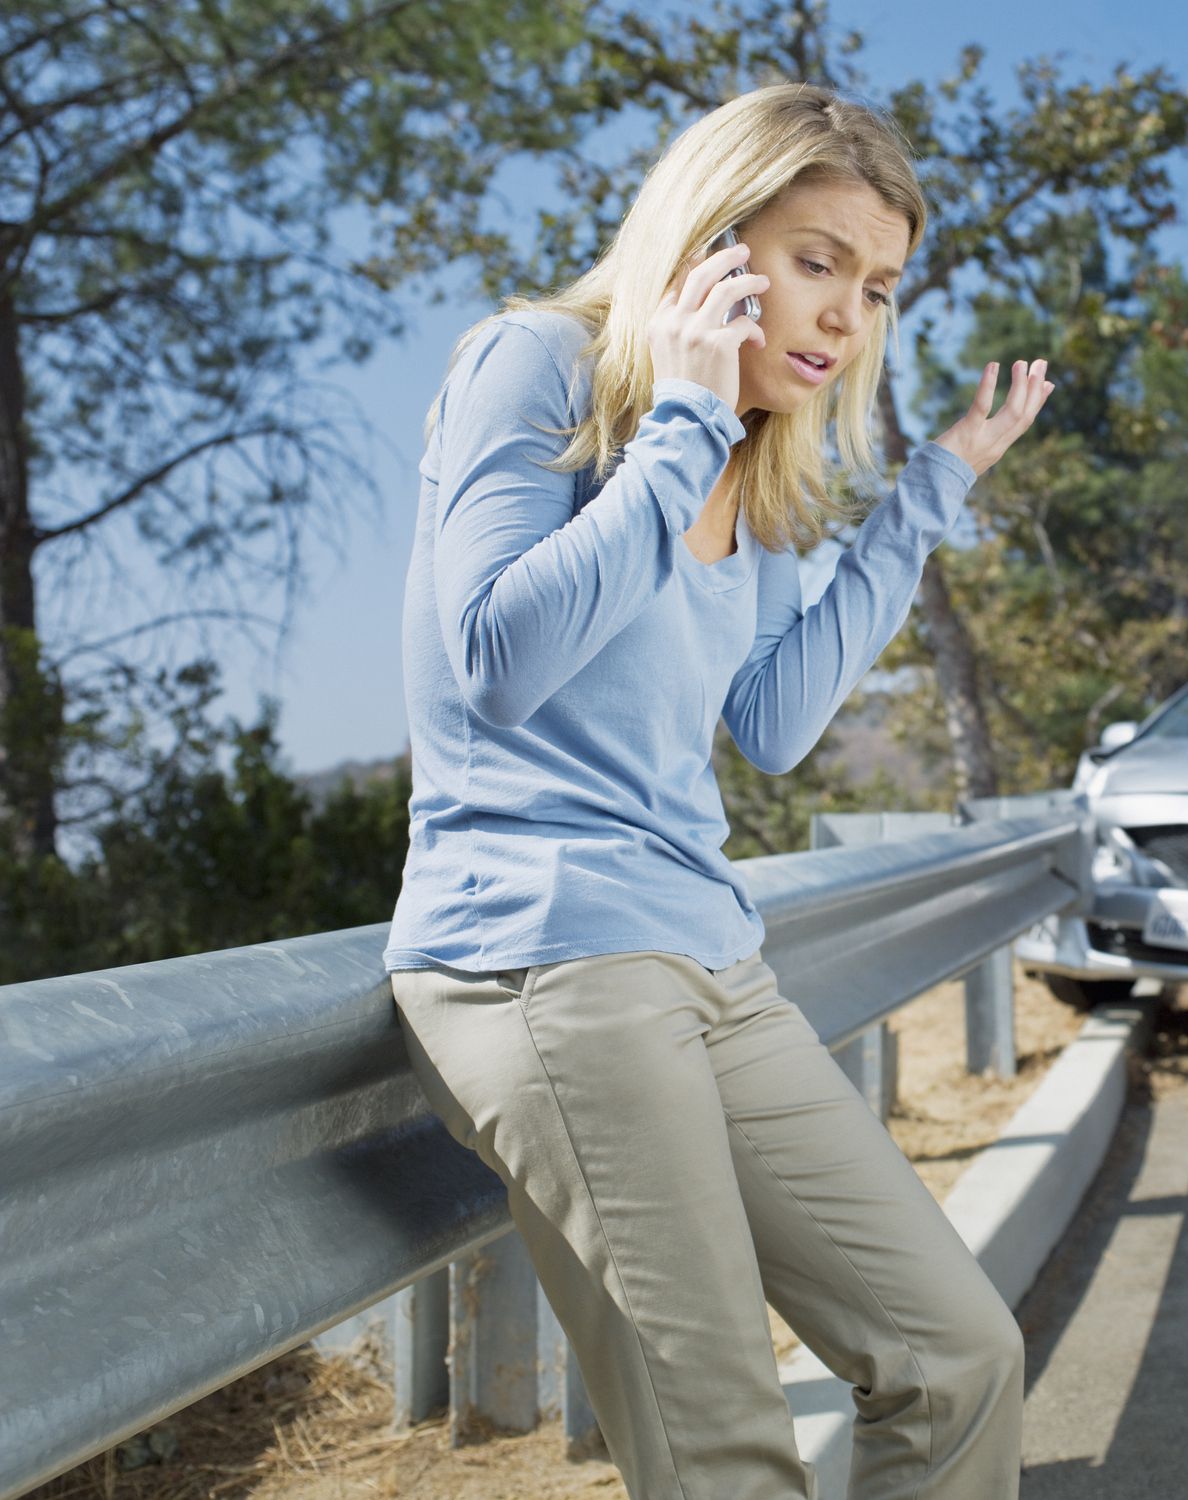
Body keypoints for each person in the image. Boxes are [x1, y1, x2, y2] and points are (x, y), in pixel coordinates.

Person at [381, 81, 1054, 1500]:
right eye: (818, 264)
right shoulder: (541, 367)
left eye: (876, 289)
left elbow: (777, 721)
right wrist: (679, 424)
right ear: (712, 236)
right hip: (551, 961)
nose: (845, 318)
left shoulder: (750, 457)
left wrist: (931, 489)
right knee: (728, 1458)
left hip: (711, 961)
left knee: (959, 1358)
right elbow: (495, 655)